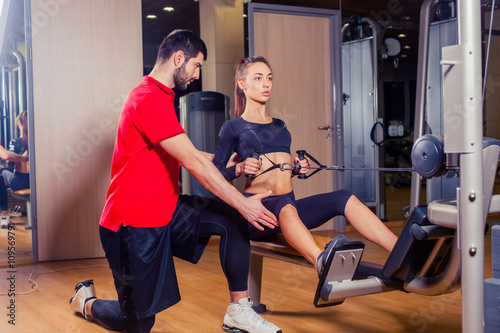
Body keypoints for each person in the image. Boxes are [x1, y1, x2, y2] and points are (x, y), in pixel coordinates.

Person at [69, 31, 283, 333]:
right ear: (178, 59)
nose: (197, 75)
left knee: (231, 221)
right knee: (139, 323)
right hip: (131, 225)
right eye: (197, 66)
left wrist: (229, 165)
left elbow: (187, 151)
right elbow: (192, 163)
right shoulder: (147, 98)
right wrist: (244, 203)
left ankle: (239, 310)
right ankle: (86, 302)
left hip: (165, 210)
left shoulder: (164, 95)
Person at [212, 56, 398, 276]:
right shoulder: (232, 127)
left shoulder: (279, 125)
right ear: (242, 84)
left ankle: (402, 252)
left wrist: (296, 168)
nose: (266, 84)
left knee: (343, 197)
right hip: (258, 215)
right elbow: (214, 176)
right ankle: (321, 263)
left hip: (286, 207)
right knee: (285, 207)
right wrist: (239, 169)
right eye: (258, 78)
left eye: (269, 78)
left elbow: (281, 173)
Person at [0, 111, 29, 229]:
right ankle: (4, 217)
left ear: (18, 124)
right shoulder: (39, 141)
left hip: (19, 183)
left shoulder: (15, 142)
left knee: (3, 172)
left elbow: (9, 162)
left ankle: (4, 216)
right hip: (36, 181)